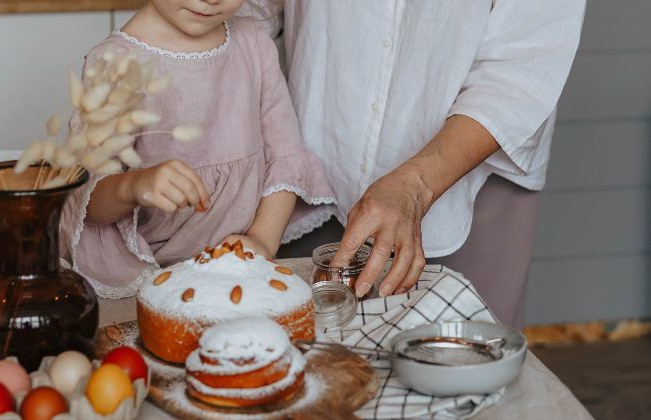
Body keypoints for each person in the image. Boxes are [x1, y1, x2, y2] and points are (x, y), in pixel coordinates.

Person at [244, 0, 586, 327]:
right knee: (309, 359)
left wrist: (418, 184)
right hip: (312, 158)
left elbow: (524, 58)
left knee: (460, 369)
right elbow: (251, 12)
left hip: (471, 170)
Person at [59, 0, 336, 299]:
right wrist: (134, 186)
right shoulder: (116, 62)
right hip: (148, 280)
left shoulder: (253, 42)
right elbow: (90, 203)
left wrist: (261, 241)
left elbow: (285, 156)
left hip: (239, 271)